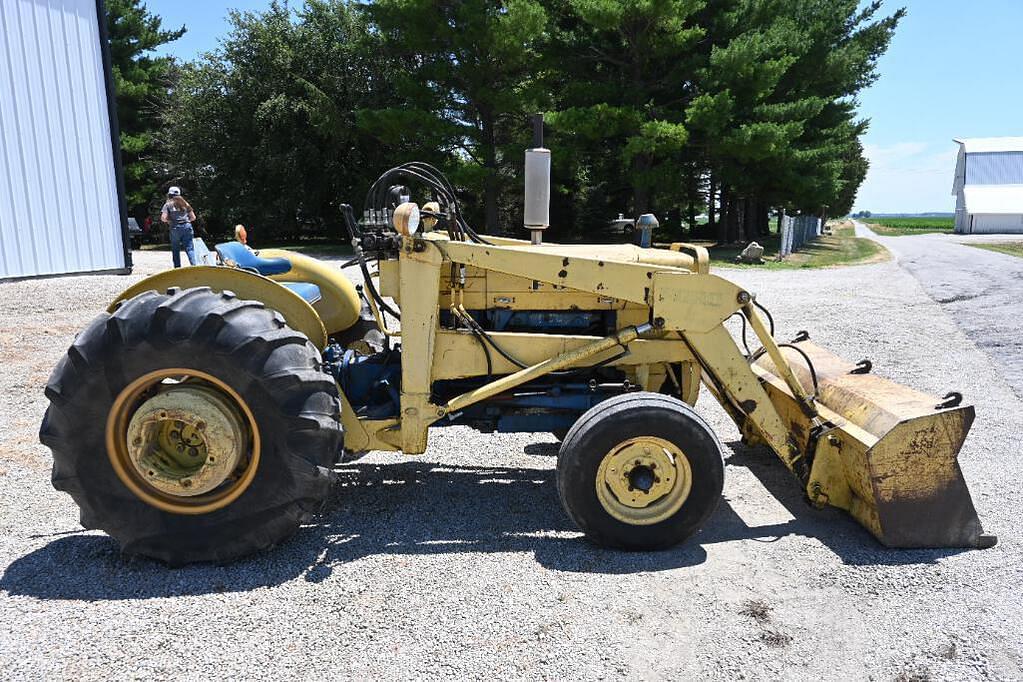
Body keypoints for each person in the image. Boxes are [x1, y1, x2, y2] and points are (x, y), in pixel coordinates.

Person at [160, 186, 197, 268]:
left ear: (169, 195)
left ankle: (177, 267)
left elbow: (163, 218)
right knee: (190, 248)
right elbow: (193, 217)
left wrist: (169, 221)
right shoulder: (186, 204)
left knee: (175, 249)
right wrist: (186, 221)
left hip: (175, 228)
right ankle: (194, 265)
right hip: (187, 226)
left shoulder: (167, 205)